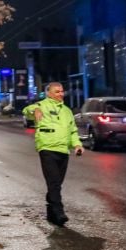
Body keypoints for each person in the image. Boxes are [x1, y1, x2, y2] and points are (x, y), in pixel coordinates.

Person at [23, 82, 84, 226]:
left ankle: (51, 210)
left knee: (57, 183)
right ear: (49, 93)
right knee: (54, 181)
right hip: (47, 148)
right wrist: (34, 111)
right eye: (57, 92)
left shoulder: (67, 111)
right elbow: (27, 110)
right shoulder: (41, 105)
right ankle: (59, 212)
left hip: (63, 149)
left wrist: (77, 145)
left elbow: (73, 131)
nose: (61, 94)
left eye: (62, 91)